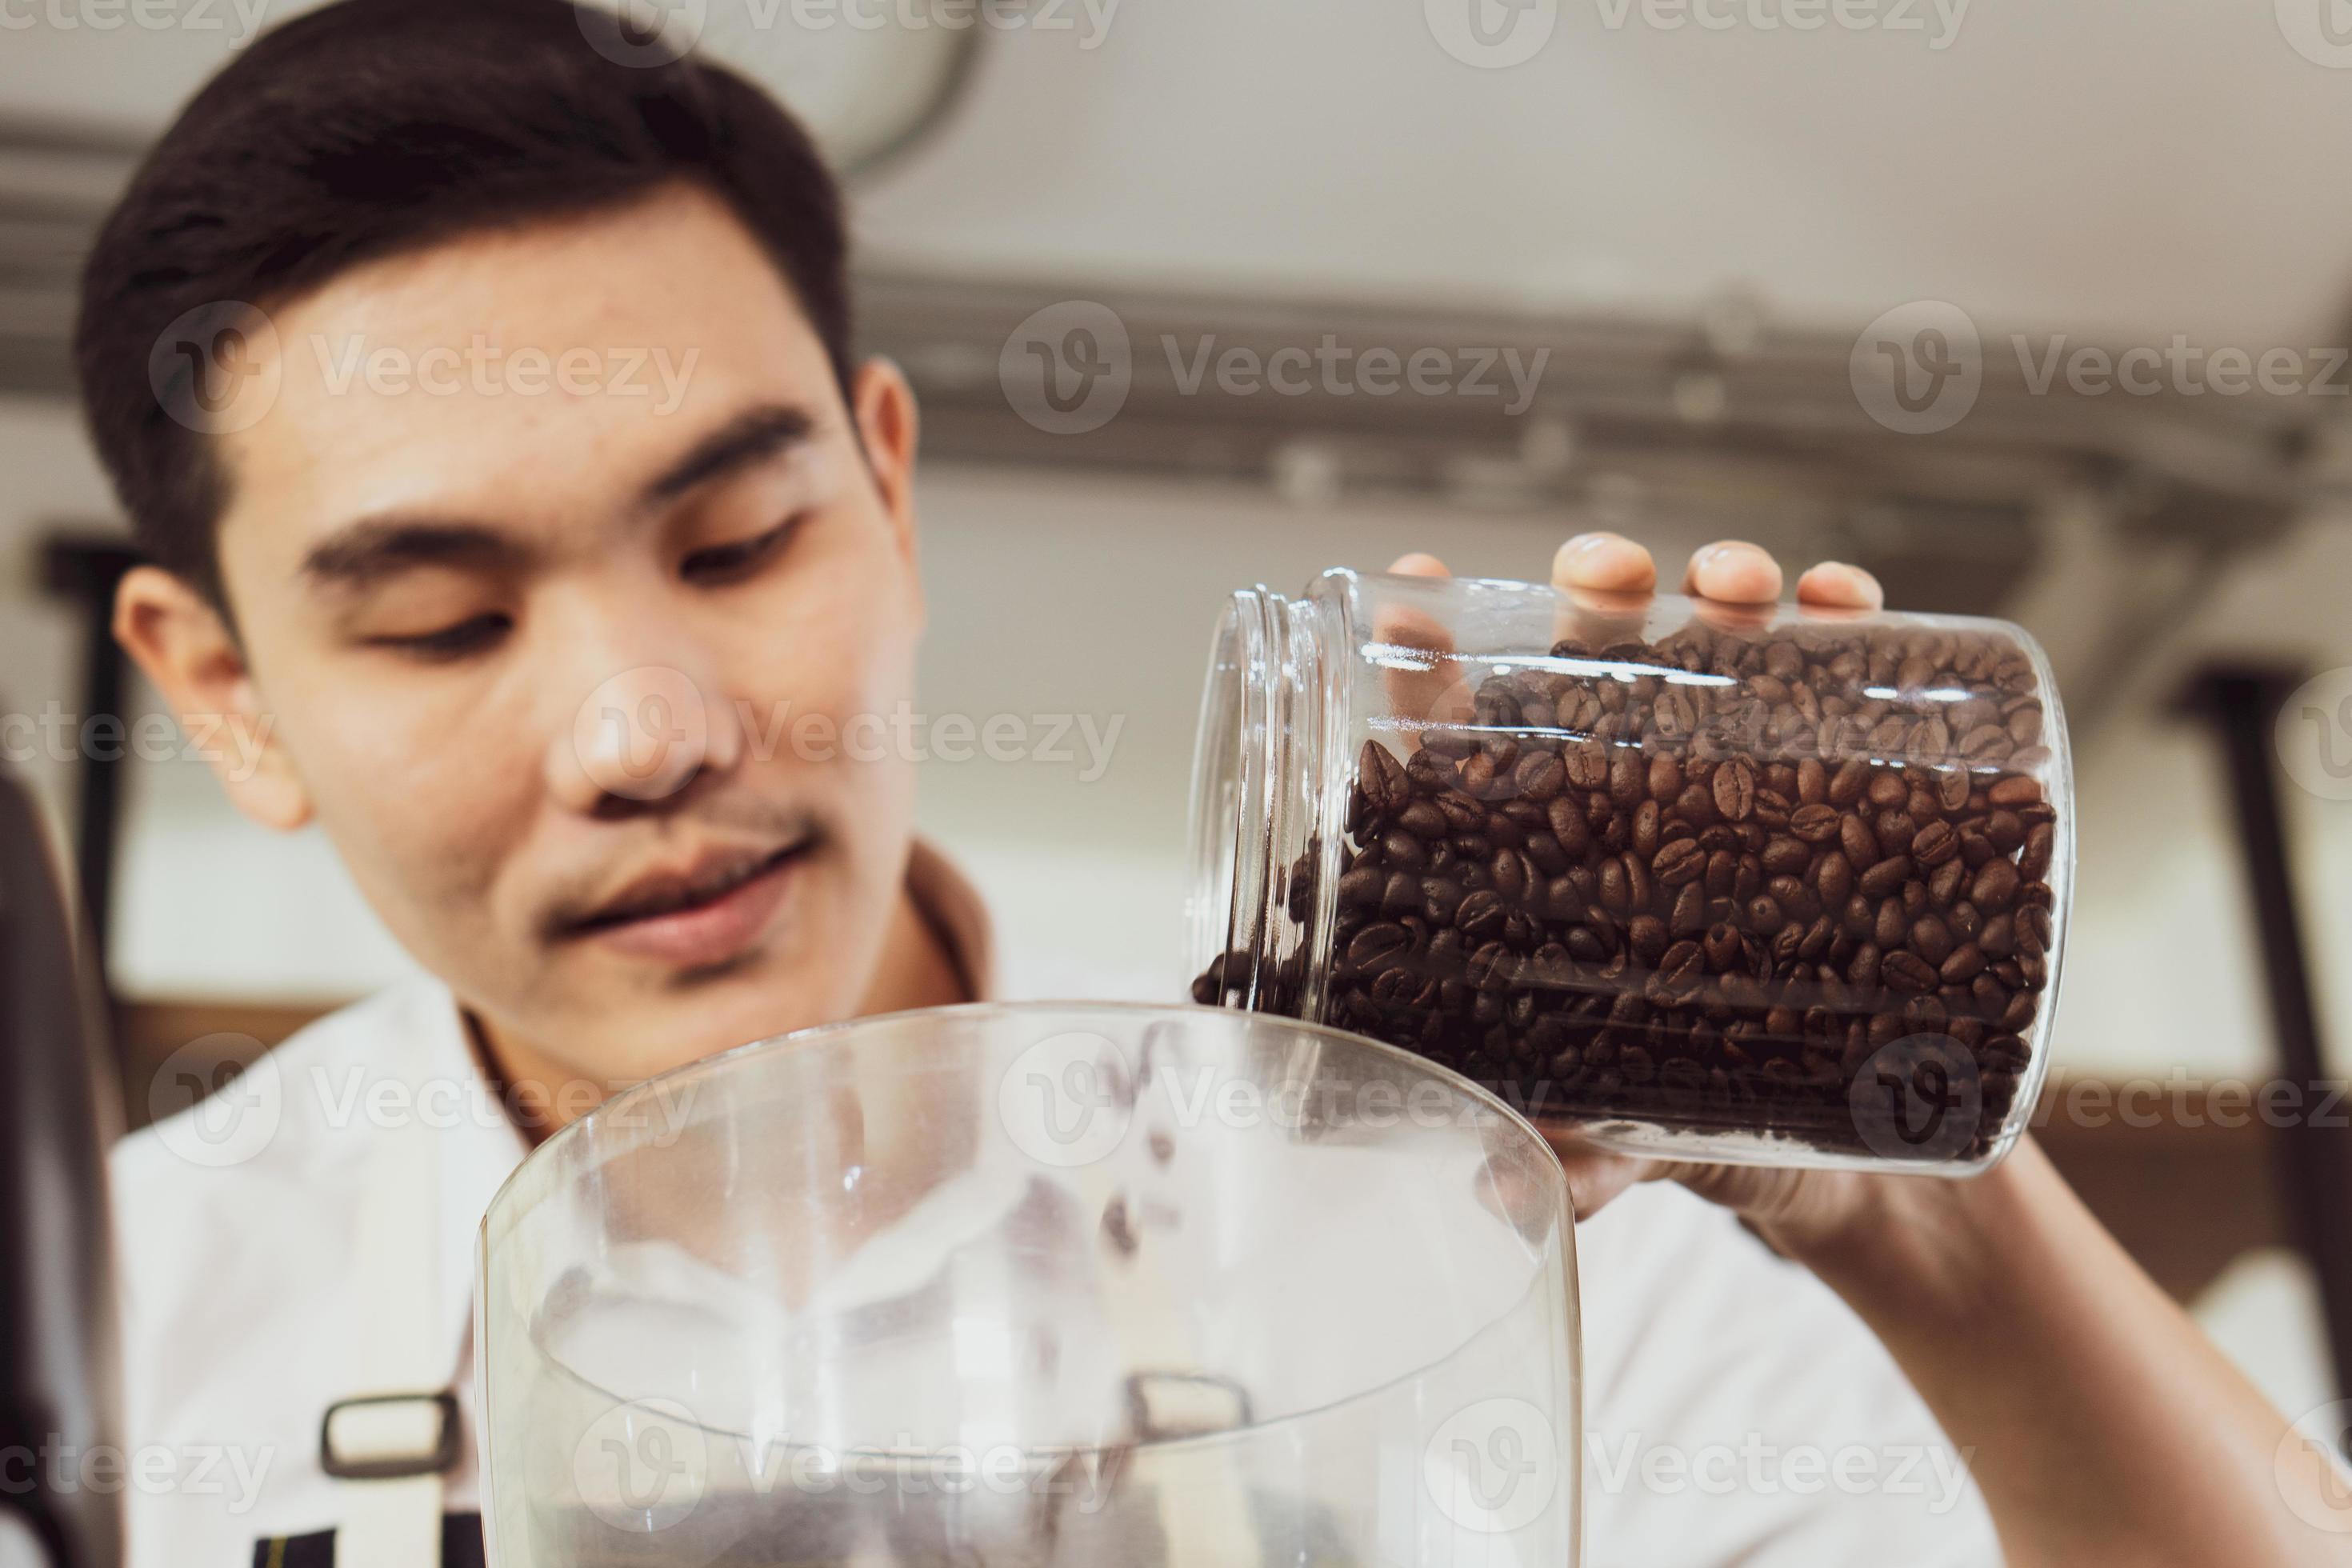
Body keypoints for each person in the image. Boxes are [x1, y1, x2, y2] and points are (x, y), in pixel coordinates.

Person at [67, 1, 2345, 1564]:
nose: (646, 733)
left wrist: (1919, 1212)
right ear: (225, 692)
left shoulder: (1445, 1175)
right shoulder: (130, 1340)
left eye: (738, 541)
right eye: (444, 622)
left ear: (888, 494)